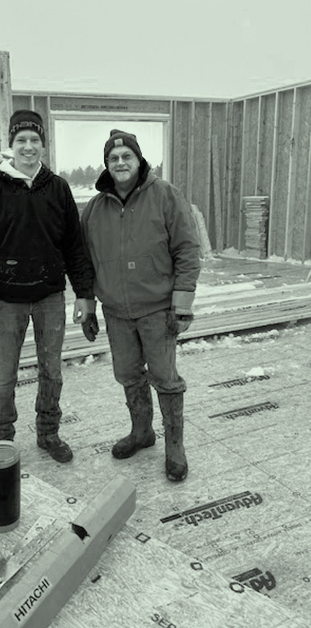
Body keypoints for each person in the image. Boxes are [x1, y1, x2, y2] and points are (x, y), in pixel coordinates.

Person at [0, 110, 95, 463]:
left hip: (49, 298)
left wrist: (84, 293)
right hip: (7, 301)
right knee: (4, 375)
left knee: (51, 371)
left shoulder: (57, 188)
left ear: (43, 144)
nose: (28, 146)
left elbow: (74, 246)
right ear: (11, 145)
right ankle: (2, 439)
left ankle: (48, 433)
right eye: (21, 140)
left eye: (34, 140)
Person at [80, 129, 200, 481]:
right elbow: (83, 262)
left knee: (165, 379)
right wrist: (88, 306)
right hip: (116, 313)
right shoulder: (95, 209)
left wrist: (182, 305)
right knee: (129, 375)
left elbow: (187, 250)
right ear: (106, 164)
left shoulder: (164, 195)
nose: (120, 163)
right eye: (113, 158)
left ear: (138, 160)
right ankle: (142, 432)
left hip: (157, 310)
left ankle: (174, 446)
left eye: (126, 157)